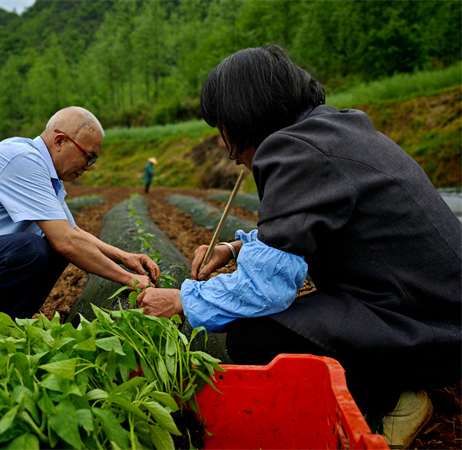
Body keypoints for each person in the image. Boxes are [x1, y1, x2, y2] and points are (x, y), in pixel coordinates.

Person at [137, 45, 461, 448]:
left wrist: (184, 299)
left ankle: (392, 398)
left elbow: (267, 287)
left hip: (426, 334)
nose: (223, 143)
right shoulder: (332, 130)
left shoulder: (295, 150)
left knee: (254, 335)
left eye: (220, 126)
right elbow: (310, 227)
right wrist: (234, 248)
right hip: (438, 314)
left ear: (242, 114)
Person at [0, 106, 160, 343]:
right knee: (29, 248)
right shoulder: (21, 158)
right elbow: (66, 241)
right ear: (60, 141)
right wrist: (129, 279)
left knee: (51, 249)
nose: (89, 167)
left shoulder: (48, 179)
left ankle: (2, 330)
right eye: (88, 157)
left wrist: (125, 256)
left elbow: (73, 233)